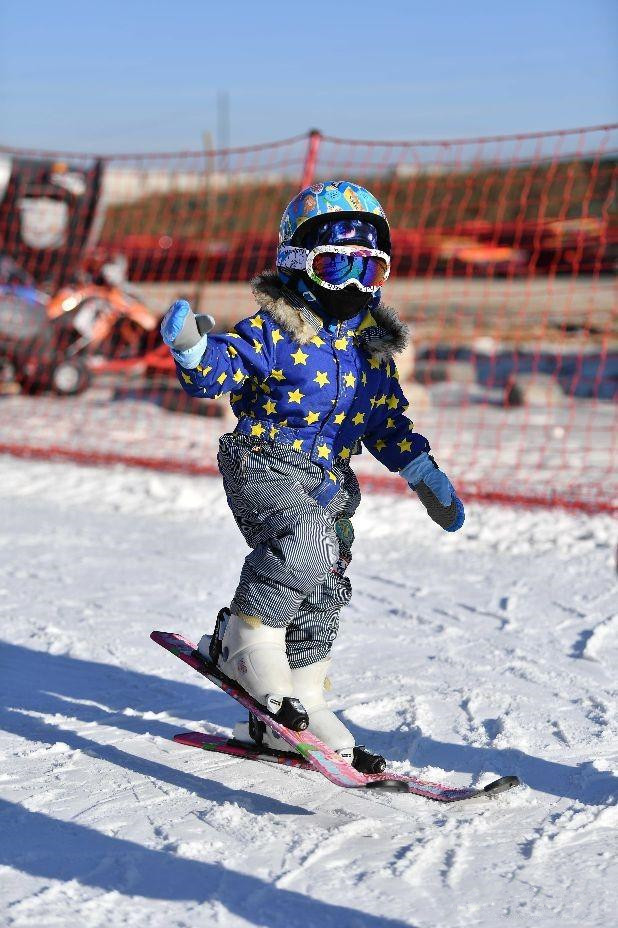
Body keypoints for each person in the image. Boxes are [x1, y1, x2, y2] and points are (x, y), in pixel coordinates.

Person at [161, 181, 464, 772]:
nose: (353, 284)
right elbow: (221, 369)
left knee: (326, 585)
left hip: (330, 480)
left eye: (369, 270)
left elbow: (384, 422)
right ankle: (243, 642)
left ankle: (299, 696)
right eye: (335, 266)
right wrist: (195, 352)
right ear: (296, 265)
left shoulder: (371, 353)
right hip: (265, 462)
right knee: (303, 544)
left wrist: (422, 470)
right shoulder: (274, 331)